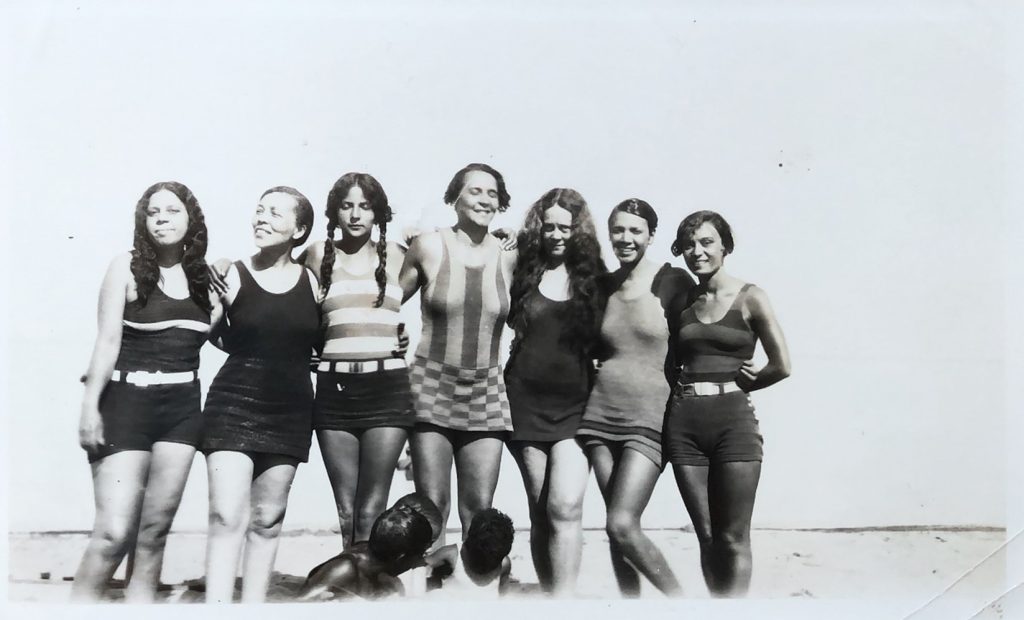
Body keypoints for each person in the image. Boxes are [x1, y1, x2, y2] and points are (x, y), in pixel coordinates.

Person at [72, 181, 217, 603]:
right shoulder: (125, 267)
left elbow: (229, 338)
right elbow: (106, 342)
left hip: (182, 411)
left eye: (172, 211)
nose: (162, 220)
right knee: (114, 532)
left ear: (191, 219)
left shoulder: (208, 280)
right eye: (154, 213)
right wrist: (89, 407)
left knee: (153, 533)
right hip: (125, 405)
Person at [201, 186, 320, 603]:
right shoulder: (230, 272)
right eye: (259, 211)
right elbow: (208, 334)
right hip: (233, 403)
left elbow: (323, 341)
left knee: (268, 518)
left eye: (275, 213)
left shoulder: (312, 279)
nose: (262, 219)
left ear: (299, 229)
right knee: (226, 515)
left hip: (290, 410)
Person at [665, 210, 791, 597]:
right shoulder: (683, 301)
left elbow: (781, 365)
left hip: (733, 425)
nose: (697, 252)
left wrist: (748, 382)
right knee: (706, 536)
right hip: (684, 427)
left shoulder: (751, 296)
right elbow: (671, 362)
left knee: (733, 537)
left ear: (725, 246)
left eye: (706, 242)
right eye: (689, 244)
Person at [577, 199, 692, 597]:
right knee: (616, 530)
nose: (626, 238)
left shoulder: (673, 280)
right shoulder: (603, 286)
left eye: (635, 231)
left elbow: (702, 331)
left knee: (622, 523)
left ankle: (682, 604)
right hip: (599, 415)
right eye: (619, 230)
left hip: (651, 417)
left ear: (650, 236)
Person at [398, 163, 517, 546]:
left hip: (486, 389)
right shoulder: (430, 245)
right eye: (475, 191)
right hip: (431, 386)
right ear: (455, 197)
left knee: (479, 511)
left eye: (492, 194)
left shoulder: (510, 254)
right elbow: (385, 301)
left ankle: (470, 597)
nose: (484, 199)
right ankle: (424, 596)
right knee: (431, 507)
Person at [300, 172, 412, 547]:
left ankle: (368, 589)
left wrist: (502, 237)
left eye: (365, 206)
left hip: (388, 389)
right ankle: (355, 585)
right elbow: (285, 291)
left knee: (372, 508)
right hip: (335, 389)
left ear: (378, 212)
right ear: (335, 211)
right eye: (347, 205)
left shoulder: (398, 255)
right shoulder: (317, 255)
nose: (355, 214)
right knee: (347, 510)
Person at [503, 188, 605, 596]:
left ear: (578, 230)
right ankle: (550, 599)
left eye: (566, 227)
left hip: (577, 407)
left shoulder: (596, 279)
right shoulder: (521, 269)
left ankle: (564, 602)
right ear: (537, 228)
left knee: (565, 506)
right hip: (524, 403)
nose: (557, 234)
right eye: (549, 226)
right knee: (541, 510)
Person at [296, 501, 436, 601]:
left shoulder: (382, 563)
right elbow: (297, 607)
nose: (424, 558)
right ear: (401, 556)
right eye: (421, 554)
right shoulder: (345, 568)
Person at [424, 508, 515, 600]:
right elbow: (418, 567)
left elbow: (503, 596)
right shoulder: (453, 555)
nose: (488, 562)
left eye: (495, 558)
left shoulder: (504, 564)